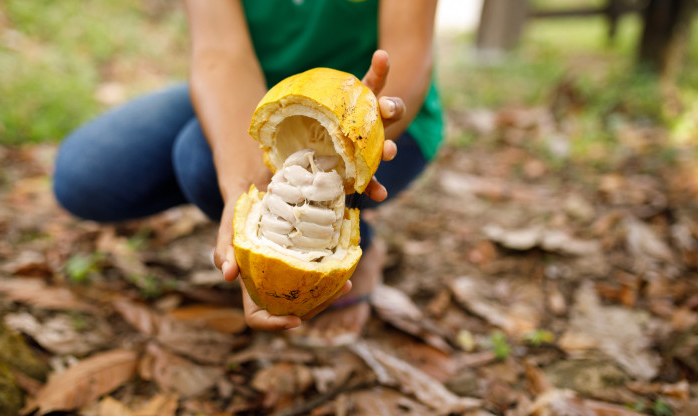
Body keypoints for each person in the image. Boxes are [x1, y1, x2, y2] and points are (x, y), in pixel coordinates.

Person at [53, 0, 443, 343]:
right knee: (85, 174)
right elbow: (221, 53)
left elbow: (408, 52)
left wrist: (363, 130)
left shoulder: (374, 112)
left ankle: (354, 241)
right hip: (257, 86)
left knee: (199, 158)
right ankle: (331, 232)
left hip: (373, 108)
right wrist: (241, 185)